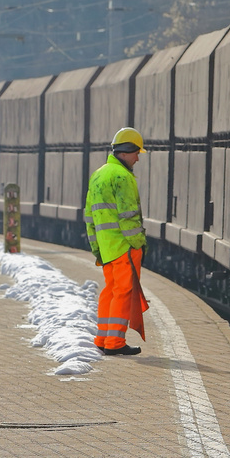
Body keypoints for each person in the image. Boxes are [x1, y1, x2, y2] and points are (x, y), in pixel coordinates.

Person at [84, 127, 149, 356]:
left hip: (106, 248)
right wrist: (139, 243)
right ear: (126, 150)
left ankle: (102, 338)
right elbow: (129, 217)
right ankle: (115, 343)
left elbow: (89, 217)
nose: (138, 158)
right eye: (136, 153)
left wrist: (96, 247)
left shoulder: (99, 174)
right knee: (122, 292)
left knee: (110, 291)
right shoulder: (122, 177)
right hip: (124, 247)